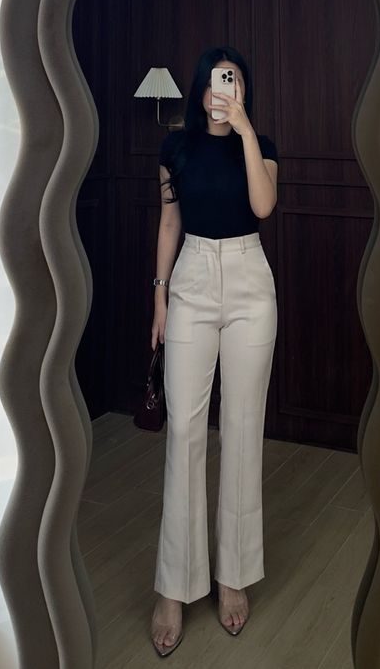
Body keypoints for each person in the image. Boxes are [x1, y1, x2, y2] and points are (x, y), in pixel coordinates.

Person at [149, 45, 279, 658]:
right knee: (184, 432)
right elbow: (169, 223)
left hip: (251, 280)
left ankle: (233, 576)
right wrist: (159, 297)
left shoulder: (262, 144)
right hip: (192, 278)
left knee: (244, 427)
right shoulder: (174, 148)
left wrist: (246, 130)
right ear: (200, 89)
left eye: (235, 82)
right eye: (216, 81)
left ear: (243, 90)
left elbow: (263, 206)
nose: (223, 90)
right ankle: (173, 587)